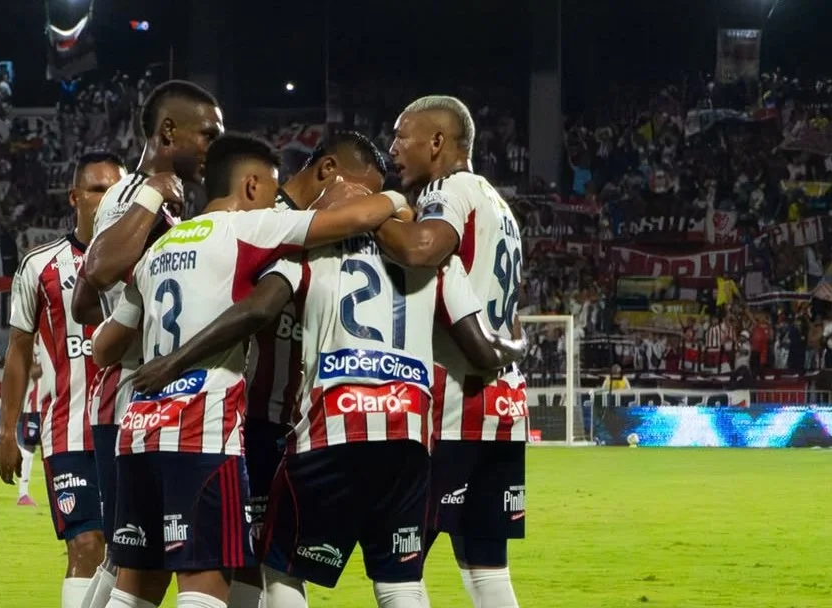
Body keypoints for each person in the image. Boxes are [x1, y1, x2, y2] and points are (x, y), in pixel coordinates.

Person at [128, 198, 524, 608]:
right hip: (407, 437)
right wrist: (518, 339)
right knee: (399, 580)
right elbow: (479, 347)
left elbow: (260, 308)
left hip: (328, 433)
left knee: (282, 567)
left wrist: (176, 358)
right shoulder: (439, 259)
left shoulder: (306, 251)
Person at [90, 133, 413, 608]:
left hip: (140, 433)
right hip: (203, 434)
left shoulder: (155, 252)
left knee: (135, 585)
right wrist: (400, 199)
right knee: (205, 584)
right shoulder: (252, 228)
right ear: (253, 185)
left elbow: (103, 347)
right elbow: (359, 218)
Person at [71, 79, 224, 608]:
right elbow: (99, 268)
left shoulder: (162, 203)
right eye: (207, 134)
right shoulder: (135, 194)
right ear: (168, 131)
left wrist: (123, 319)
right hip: (132, 398)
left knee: (134, 560)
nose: (214, 146)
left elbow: (83, 304)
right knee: (129, 558)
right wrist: (129, 330)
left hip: (147, 398)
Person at [374, 95, 527, 607]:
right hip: (501, 401)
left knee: (399, 562)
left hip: (453, 399)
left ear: (437, 143)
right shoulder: (498, 204)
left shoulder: (448, 190)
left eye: (402, 136)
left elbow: (421, 249)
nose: (392, 148)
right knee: (486, 566)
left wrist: (367, 215)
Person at [226, 129, 389, 606]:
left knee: (272, 558)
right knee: (252, 559)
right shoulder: (265, 220)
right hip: (253, 419)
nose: (367, 208)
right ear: (328, 172)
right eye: (363, 192)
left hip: (299, 424)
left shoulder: (329, 235)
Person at [0, 152, 123, 608]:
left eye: (115, 189)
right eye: (96, 189)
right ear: (75, 197)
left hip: (135, 429)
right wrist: (7, 431)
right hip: (69, 431)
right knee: (86, 547)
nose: (107, 198)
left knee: (131, 555)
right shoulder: (39, 265)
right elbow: (18, 351)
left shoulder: (146, 258)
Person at [17, 336, 48, 507]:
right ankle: (23, 494)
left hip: (53, 404)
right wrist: (50, 360)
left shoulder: (53, 337)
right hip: (34, 405)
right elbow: (31, 371)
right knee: (29, 447)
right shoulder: (29, 344)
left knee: (52, 449)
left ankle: (55, 491)